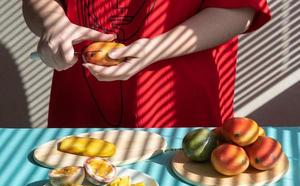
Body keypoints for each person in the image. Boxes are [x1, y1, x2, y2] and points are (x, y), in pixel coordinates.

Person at [22, 0, 271, 128]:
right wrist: (52, 26)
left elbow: (238, 10)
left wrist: (157, 49)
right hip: (79, 116)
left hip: (179, 119)